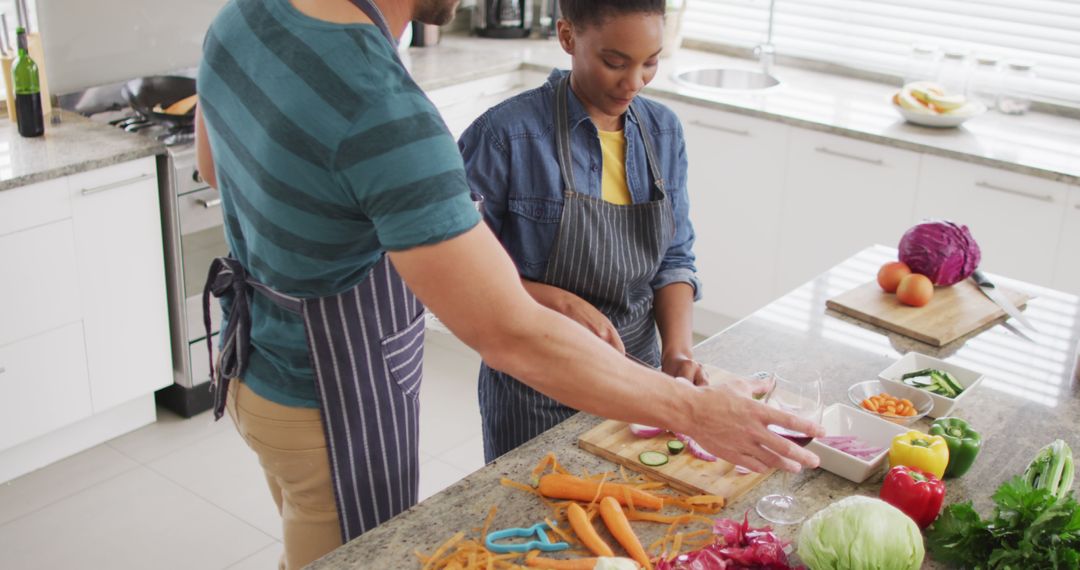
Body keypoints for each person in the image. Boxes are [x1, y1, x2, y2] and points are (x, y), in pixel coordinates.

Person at [195, 0, 822, 567]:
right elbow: (510, 333)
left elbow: (212, 168)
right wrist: (692, 409)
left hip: (255, 365)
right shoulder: (386, 107)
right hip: (331, 396)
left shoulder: (244, 16)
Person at [460, 0, 709, 462]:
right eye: (615, 62)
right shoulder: (504, 136)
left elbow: (674, 258)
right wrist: (557, 302)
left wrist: (676, 354)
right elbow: (460, 275)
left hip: (639, 379)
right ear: (568, 37)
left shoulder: (663, 131)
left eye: (650, 63)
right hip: (536, 386)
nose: (633, 82)